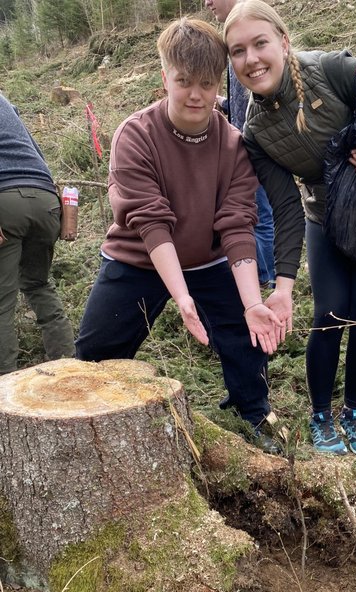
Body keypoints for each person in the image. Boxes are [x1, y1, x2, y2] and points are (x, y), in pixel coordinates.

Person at [75, 17, 281, 451]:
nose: (195, 94)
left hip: (209, 260)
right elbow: (150, 220)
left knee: (245, 334)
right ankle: (85, 422)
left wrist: (252, 303)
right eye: (183, 81)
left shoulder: (233, 146)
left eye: (206, 84)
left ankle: (256, 413)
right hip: (138, 258)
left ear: (219, 83)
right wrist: (181, 296)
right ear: (164, 76)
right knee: (95, 350)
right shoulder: (136, 135)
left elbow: (238, 226)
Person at [224, 0, 356, 455]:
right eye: (237, 51)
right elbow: (286, 209)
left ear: (283, 41)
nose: (251, 59)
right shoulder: (255, 133)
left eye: (259, 43)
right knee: (329, 315)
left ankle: (354, 410)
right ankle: (320, 415)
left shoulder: (330, 70)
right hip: (323, 218)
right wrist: (284, 285)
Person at [0, 92, 75, 376]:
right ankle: (68, 368)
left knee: (1, 302)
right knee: (38, 284)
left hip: (5, 202)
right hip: (45, 200)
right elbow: (36, 152)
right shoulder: (6, 101)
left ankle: (5, 390)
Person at [204, 0, 276, 288]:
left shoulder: (247, 34)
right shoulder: (234, 36)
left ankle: (264, 276)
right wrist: (219, 102)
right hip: (243, 146)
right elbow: (240, 103)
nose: (207, 3)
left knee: (260, 215)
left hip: (255, 149)